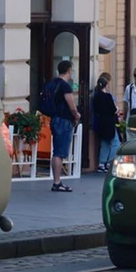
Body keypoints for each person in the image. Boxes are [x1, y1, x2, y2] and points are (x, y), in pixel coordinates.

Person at [48, 60, 81, 192]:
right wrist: (77, 115)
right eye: (71, 70)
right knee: (60, 152)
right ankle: (57, 182)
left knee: (56, 151)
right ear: (68, 70)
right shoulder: (65, 86)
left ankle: (56, 181)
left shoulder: (53, 83)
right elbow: (71, 104)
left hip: (54, 118)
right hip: (63, 120)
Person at [91, 72, 121, 173]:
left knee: (104, 143)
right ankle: (110, 163)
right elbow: (113, 110)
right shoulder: (108, 96)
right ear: (106, 85)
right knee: (116, 143)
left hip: (100, 122)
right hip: (109, 122)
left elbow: (96, 109)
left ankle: (101, 163)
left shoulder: (96, 96)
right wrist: (117, 109)